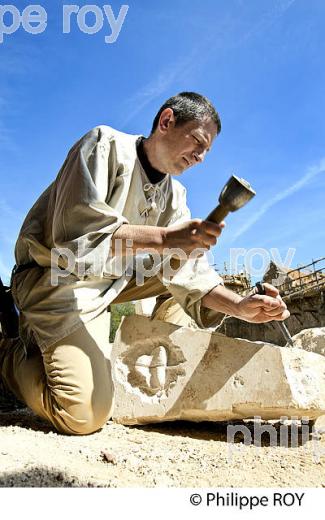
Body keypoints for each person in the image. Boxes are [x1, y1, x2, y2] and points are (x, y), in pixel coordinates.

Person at [0, 92, 289, 435]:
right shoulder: (103, 145)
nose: (200, 157)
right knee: (82, 415)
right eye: (198, 142)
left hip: (111, 282)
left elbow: (186, 270)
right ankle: (7, 352)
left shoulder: (176, 196)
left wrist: (239, 306)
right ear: (166, 121)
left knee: (176, 269)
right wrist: (167, 238)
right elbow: (76, 242)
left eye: (207, 152)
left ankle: (158, 382)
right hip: (56, 278)